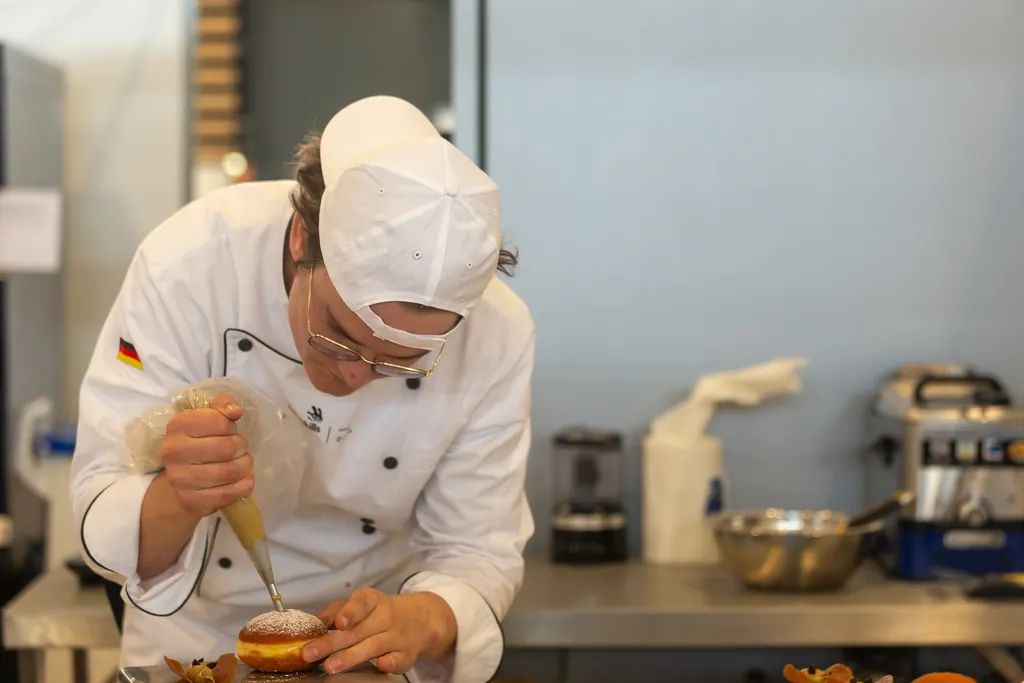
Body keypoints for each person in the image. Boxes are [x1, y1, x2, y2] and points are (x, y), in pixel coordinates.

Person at [69, 95, 536, 683]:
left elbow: (477, 548)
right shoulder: (189, 264)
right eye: (337, 337)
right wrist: (179, 494)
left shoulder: (500, 332)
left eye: (399, 363)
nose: (355, 376)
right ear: (300, 239)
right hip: (195, 650)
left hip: (368, 661)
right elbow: (101, 508)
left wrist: (421, 618)